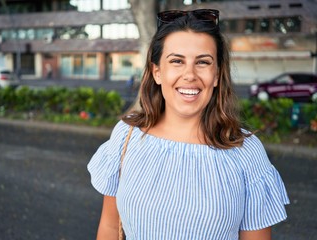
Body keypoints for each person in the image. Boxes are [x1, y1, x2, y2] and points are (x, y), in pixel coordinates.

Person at [88, 8, 289, 240]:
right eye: (176, 61)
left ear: (216, 75)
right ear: (157, 72)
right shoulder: (126, 136)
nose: (189, 75)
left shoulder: (246, 151)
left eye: (203, 62)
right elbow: (111, 228)